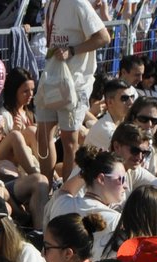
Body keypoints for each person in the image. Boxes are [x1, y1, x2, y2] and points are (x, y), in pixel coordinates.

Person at [35, 0, 112, 179]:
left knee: (69, 141)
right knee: (43, 135)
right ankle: (46, 189)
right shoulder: (48, 5)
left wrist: (72, 50)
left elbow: (104, 37)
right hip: (53, 79)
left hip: (76, 83)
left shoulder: (77, 3)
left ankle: (65, 195)